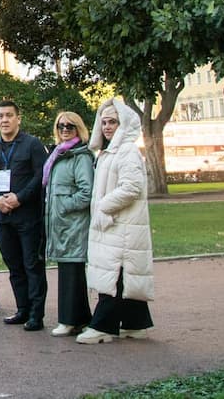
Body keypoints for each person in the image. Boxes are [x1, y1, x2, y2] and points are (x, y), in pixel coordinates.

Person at [78, 99, 155, 344]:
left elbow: (132, 187)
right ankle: (135, 323)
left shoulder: (127, 151)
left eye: (113, 122)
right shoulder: (109, 151)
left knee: (114, 274)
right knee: (122, 272)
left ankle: (103, 326)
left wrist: (104, 207)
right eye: (104, 122)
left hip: (120, 224)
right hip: (115, 223)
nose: (107, 127)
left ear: (124, 124)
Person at [0, 99, 49, 331]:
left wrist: (19, 197)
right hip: (3, 218)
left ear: (18, 118)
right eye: (0, 116)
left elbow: (40, 176)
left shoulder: (32, 145)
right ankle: (22, 309)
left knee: (32, 265)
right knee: (14, 266)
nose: (5, 120)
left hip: (28, 216)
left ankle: (36, 315)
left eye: (9, 115)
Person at [45, 111, 95, 336]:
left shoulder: (80, 156)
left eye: (69, 126)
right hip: (60, 222)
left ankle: (69, 319)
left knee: (71, 270)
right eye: (60, 126)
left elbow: (86, 192)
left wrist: (64, 205)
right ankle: (79, 318)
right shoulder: (59, 154)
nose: (64, 130)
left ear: (79, 129)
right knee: (67, 269)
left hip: (73, 223)